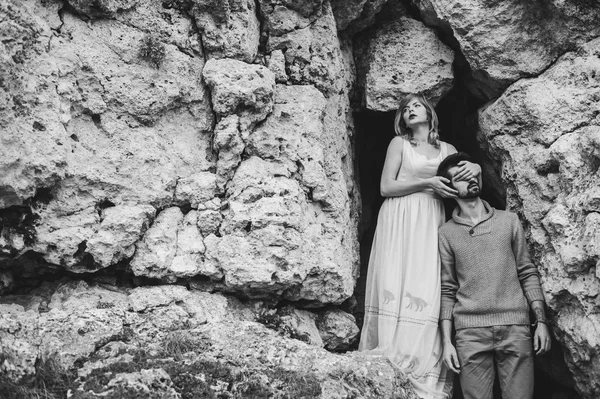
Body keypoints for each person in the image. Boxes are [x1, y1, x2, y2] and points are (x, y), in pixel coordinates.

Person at [359, 93, 480, 399]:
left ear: (429, 113)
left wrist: (473, 169)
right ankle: (390, 349)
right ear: (401, 120)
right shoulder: (399, 144)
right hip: (399, 217)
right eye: (405, 109)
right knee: (395, 277)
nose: (410, 110)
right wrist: (427, 183)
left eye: (416, 106)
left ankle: (421, 362)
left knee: (426, 282)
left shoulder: (448, 150)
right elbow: (386, 187)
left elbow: (465, 181)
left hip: (431, 220)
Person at [436, 152, 551, 399]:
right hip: (469, 334)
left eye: (472, 174)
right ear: (449, 189)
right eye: (460, 177)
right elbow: (447, 289)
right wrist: (447, 342)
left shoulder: (508, 220)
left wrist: (541, 322)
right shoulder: (446, 233)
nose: (470, 180)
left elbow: (527, 272)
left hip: (515, 327)